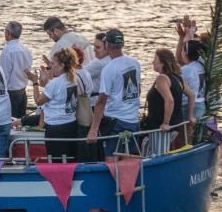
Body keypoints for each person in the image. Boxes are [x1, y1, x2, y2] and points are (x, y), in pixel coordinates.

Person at [87, 29, 142, 157]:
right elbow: (138, 90)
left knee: (111, 159)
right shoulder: (135, 63)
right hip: (133, 120)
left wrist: (93, 130)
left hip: (115, 122)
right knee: (132, 159)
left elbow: (101, 101)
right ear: (122, 44)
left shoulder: (109, 69)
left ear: (106, 45)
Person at [20, 48, 80, 162]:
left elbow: (38, 101)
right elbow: (56, 95)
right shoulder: (72, 78)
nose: (50, 66)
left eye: (53, 63)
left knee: (56, 161)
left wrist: (35, 81)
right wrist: (47, 81)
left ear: (62, 65)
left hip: (56, 128)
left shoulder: (56, 83)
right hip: (70, 124)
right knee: (70, 159)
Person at [144, 49, 195, 156]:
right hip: (176, 125)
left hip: (161, 128)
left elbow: (169, 100)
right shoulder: (177, 78)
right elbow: (191, 95)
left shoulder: (162, 78)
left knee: (158, 155)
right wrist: (190, 116)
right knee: (148, 146)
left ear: (162, 62)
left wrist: (166, 123)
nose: (152, 62)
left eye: (155, 59)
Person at [0, 21, 32, 118]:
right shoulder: (26, 49)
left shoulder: (7, 50)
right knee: (21, 122)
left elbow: (4, 75)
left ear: (8, 33)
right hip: (22, 92)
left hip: (11, 95)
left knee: (10, 122)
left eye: (5, 30)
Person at [83, 32, 111, 107]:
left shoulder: (99, 63)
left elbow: (78, 76)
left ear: (107, 48)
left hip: (95, 104)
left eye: (98, 47)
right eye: (94, 47)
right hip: (109, 102)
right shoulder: (112, 59)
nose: (94, 50)